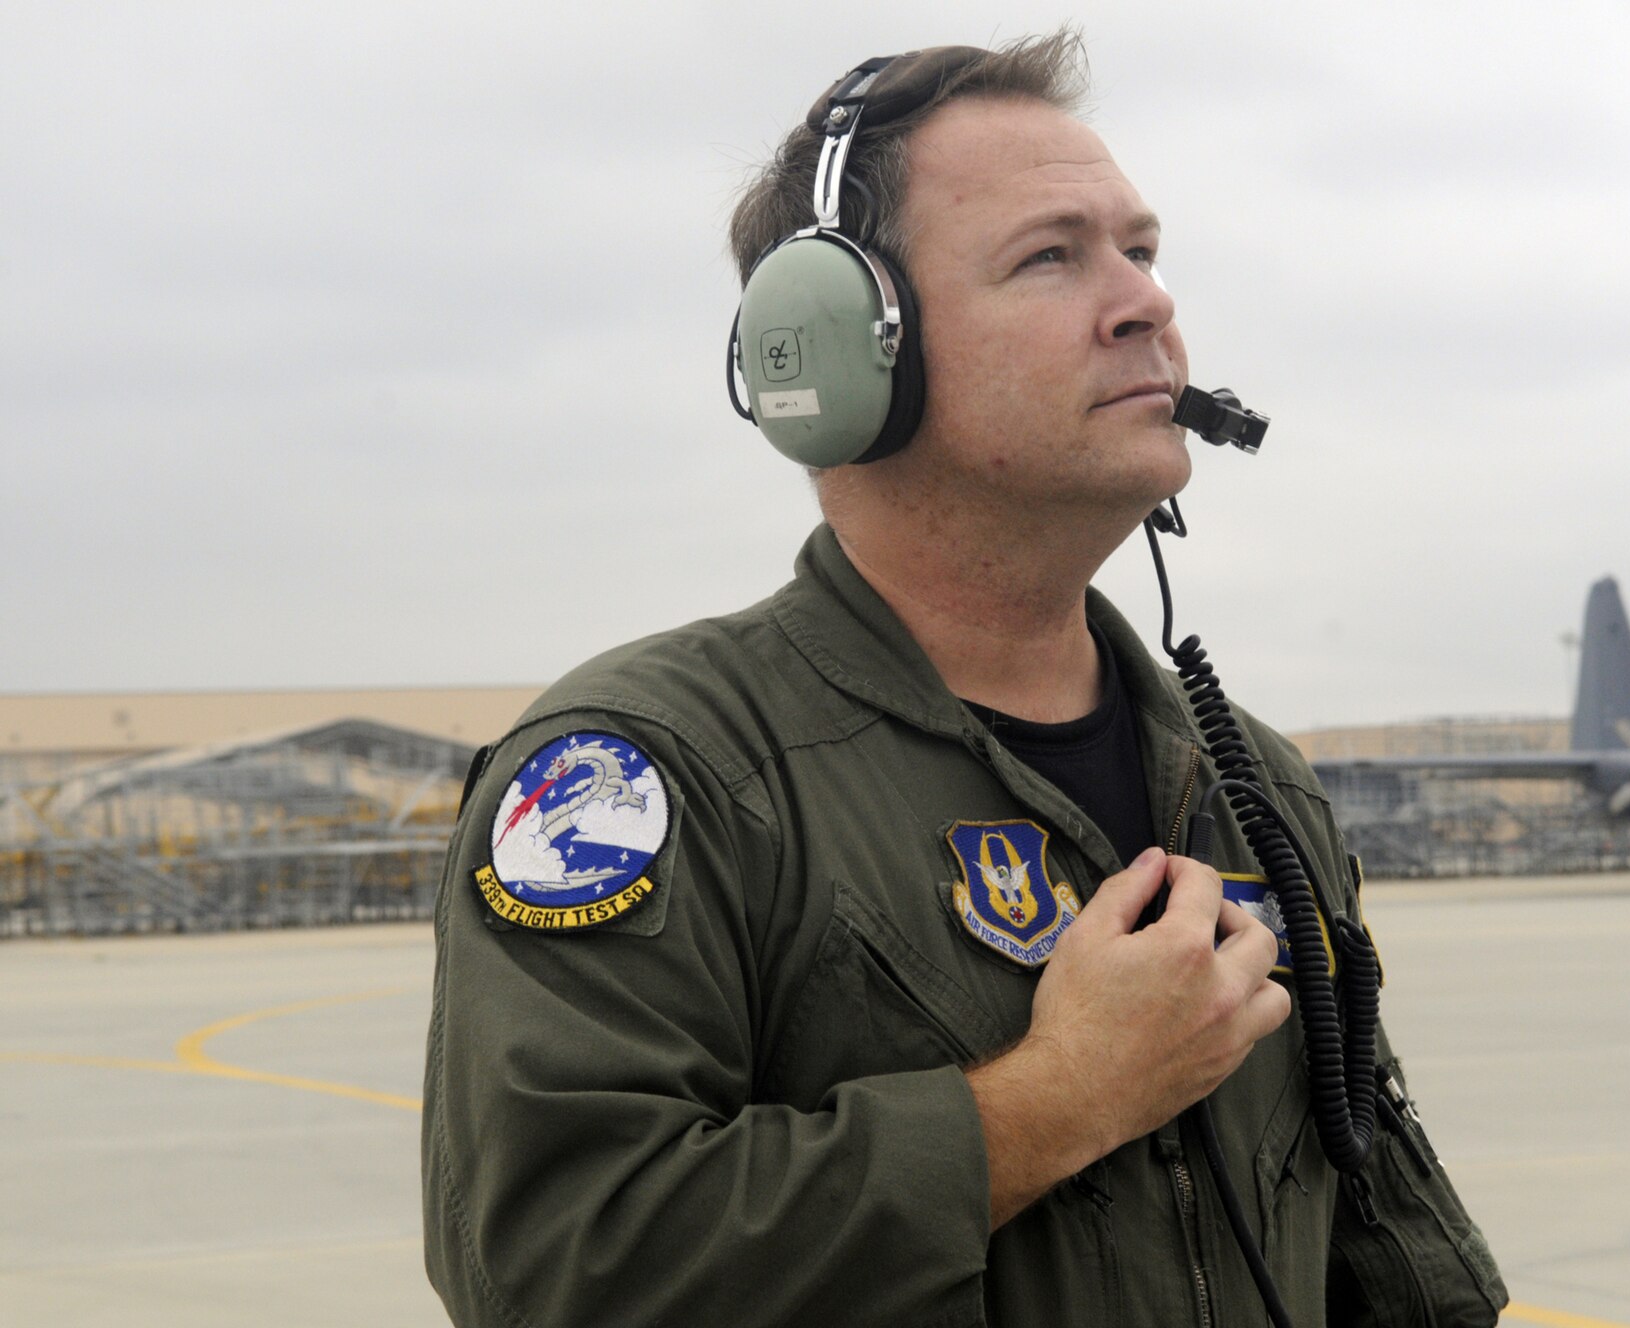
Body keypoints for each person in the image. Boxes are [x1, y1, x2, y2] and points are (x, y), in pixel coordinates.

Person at [423, 32, 1505, 1327]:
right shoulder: (649, 775)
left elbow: (1392, 1254)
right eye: (1050, 257)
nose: (1145, 305)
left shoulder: (1250, 783)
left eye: (1142, 251)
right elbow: (556, 1267)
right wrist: (1057, 1098)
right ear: (836, 358)